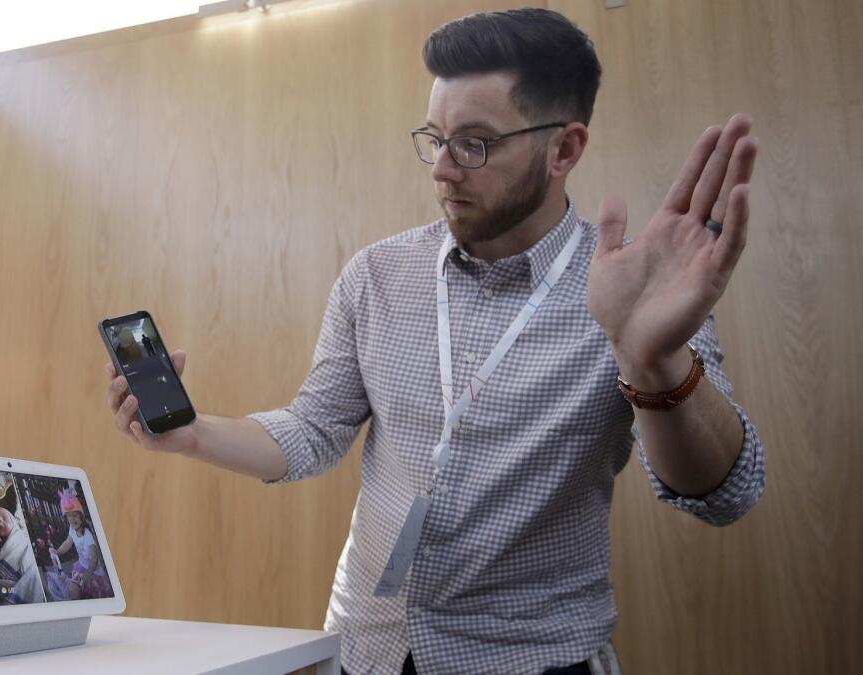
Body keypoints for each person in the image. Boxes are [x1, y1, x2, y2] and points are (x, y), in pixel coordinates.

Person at [104, 8, 764, 675]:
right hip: (369, 651)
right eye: (434, 138)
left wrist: (653, 360)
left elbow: (723, 492)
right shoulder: (377, 276)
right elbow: (313, 430)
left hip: (530, 662)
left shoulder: (634, 288)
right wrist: (193, 432)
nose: (443, 169)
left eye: (474, 143)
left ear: (563, 149)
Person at [54, 491, 113, 600]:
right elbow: (67, 543)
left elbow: (94, 560)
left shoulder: (87, 536)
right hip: (82, 566)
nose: (72, 519)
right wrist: (57, 552)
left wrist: (88, 574)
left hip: (93, 572)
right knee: (75, 590)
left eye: (75, 515)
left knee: (89, 594)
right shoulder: (72, 529)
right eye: (69, 516)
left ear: (81, 516)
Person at [0, 506, 46, 604]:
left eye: (3, 518)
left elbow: (32, 569)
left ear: (14, 522)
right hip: (1, 587)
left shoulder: (20, 539)